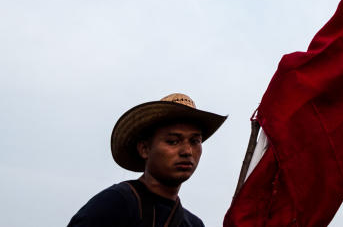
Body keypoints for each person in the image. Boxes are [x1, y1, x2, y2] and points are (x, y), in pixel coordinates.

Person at [67, 93, 226, 226]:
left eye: (195, 141)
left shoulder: (192, 224)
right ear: (145, 149)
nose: (187, 151)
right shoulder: (116, 203)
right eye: (172, 141)